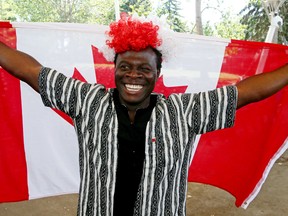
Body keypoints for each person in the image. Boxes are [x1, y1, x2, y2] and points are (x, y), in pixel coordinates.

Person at [1, 14, 288, 216]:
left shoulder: (183, 111)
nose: (133, 75)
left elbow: (247, 92)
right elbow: (31, 71)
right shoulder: (87, 101)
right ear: (114, 69)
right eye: (125, 67)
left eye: (144, 68)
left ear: (157, 73)